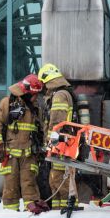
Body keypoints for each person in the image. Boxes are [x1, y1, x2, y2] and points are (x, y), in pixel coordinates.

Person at [0, 74, 45, 211]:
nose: (36, 98)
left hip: (29, 154)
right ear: (27, 93)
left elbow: (41, 130)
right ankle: (10, 214)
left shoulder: (36, 108)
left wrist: (41, 150)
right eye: (34, 94)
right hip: (10, 154)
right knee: (10, 187)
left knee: (30, 184)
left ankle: (32, 211)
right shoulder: (7, 103)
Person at [38, 63, 76, 210]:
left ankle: (66, 211)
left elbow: (57, 122)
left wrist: (49, 142)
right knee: (55, 181)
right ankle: (57, 210)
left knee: (61, 180)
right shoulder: (62, 93)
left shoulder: (59, 96)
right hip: (62, 144)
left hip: (61, 146)